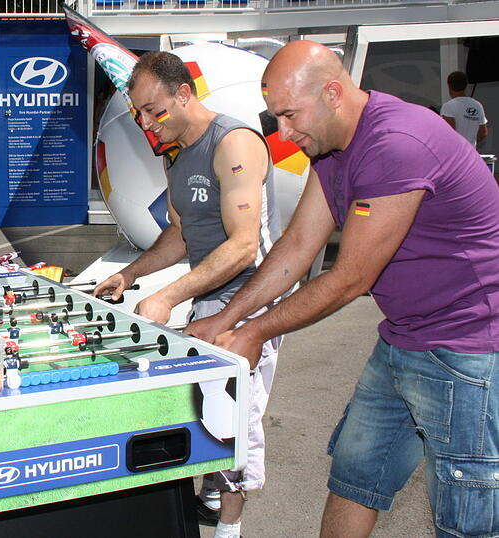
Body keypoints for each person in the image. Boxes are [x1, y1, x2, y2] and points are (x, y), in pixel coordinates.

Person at [186, 40, 499, 538]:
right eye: (275, 118)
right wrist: (226, 321)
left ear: (333, 93)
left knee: (467, 514)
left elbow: (351, 276)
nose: (283, 134)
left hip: (466, 348)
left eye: (289, 115)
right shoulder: (330, 148)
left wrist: (254, 334)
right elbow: (296, 248)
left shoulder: (396, 143)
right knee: (355, 479)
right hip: (403, 338)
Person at [92, 51, 284, 538]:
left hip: (249, 298)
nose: (147, 123)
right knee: (202, 406)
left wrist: (168, 297)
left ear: (184, 94)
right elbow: (180, 235)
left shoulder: (235, 143)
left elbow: (242, 247)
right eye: (138, 113)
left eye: (155, 110)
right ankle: (211, 496)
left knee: (236, 416)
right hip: (210, 296)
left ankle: (229, 530)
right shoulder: (176, 154)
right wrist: (131, 275)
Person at [441, 70, 488, 148]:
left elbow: (449, 133)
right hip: (471, 153)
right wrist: (471, 141)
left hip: (456, 153)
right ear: (465, 86)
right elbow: (483, 133)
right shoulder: (477, 105)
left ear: (449, 86)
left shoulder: (448, 106)